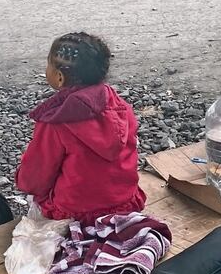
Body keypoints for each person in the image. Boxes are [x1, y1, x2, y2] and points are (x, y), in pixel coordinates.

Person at [15, 32, 146, 224]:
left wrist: (21, 179)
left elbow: (34, 179)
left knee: (40, 196)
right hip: (125, 203)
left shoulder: (56, 121)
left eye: (48, 64)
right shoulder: (121, 106)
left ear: (59, 77)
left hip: (74, 213)